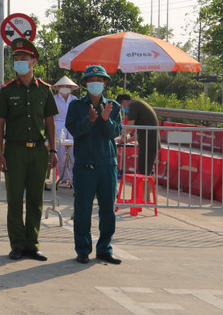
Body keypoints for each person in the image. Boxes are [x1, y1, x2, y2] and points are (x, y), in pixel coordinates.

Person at [0, 38, 58, 261]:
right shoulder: (7, 90)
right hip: (14, 150)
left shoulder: (45, 90)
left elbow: (50, 121)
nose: (19, 62)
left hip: (39, 151)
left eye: (24, 58)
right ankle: (17, 244)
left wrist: (53, 150)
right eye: (16, 59)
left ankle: (32, 243)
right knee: (14, 199)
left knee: (35, 199)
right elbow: (0, 122)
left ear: (34, 61)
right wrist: (0, 153)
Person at [66, 65, 123, 265]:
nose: (95, 84)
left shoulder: (113, 106)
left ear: (105, 83)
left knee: (108, 210)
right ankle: (83, 249)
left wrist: (106, 120)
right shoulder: (76, 106)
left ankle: (105, 249)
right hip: (85, 166)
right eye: (91, 81)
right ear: (85, 84)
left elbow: (115, 133)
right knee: (82, 210)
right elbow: (73, 130)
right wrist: (89, 121)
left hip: (107, 166)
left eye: (99, 80)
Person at [116, 93, 160, 201]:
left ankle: (141, 198)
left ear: (124, 102)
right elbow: (138, 134)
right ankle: (147, 198)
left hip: (148, 142)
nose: (123, 109)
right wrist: (125, 139)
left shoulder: (134, 106)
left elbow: (130, 127)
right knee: (150, 171)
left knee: (144, 171)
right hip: (150, 141)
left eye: (122, 106)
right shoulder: (140, 104)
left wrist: (121, 136)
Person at [52, 75, 79, 186]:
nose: (66, 87)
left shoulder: (75, 100)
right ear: (59, 87)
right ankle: (63, 178)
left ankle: (73, 178)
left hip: (72, 127)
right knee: (60, 153)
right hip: (58, 126)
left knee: (73, 154)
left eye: (68, 86)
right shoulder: (54, 99)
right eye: (63, 86)